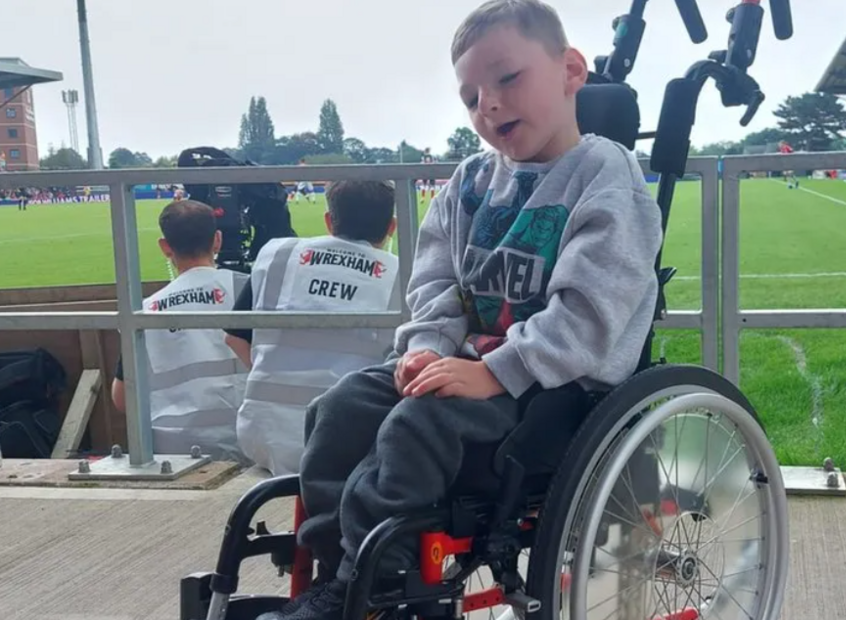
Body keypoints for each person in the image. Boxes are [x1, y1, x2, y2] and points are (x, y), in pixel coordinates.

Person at [260, 1, 664, 618]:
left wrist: (496, 372)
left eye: (507, 79)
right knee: (340, 406)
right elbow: (436, 282)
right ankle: (335, 567)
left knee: (417, 423)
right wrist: (423, 347)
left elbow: (590, 313)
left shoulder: (606, 176)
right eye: (471, 96)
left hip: (555, 389)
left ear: (571, 71)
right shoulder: (470, 182)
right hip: (464, 368)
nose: (489, 104)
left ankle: (376, 584)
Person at [224, 180, 400, 476]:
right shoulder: (401, 273)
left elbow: (233, 336)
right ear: (392, 227)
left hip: (262, 435)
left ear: (329, 221)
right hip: (352, 441)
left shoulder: (278, 256)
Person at [111, 200, 249, 460]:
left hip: (170, 451)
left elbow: (121, 398)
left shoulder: (145, 309)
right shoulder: (248, 289)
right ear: (217, 240)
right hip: (243, 444)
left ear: (165, 247)